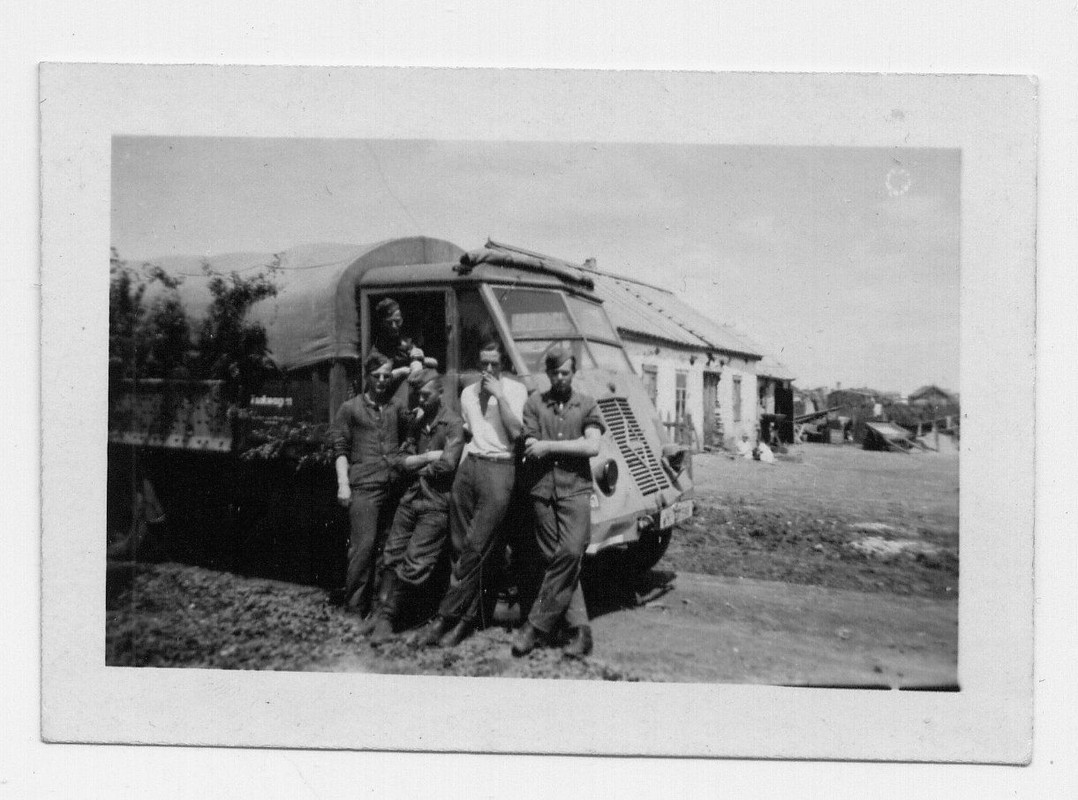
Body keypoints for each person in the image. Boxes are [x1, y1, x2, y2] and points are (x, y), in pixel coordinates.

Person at [415, 339, 528, 648]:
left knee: (476, 548)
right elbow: (467, 431)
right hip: (470, 467)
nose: (488, 368)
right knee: (459, 545)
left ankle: (447, 619)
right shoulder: (467, 393)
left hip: (499, 468)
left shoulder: (515, 390)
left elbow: (516, 434)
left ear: (504, 364)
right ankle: (467, 618)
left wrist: (499, 396)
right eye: (484, 363)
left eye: (494, 363)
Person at [512, 347, 604, 658]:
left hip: (575, 489)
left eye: (566, 372)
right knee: (555, 559)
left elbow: (592, 446)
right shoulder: (534, 404)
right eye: (555, 373)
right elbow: (530, 444)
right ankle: (581, 631)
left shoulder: (587, 404)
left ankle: (535, 625)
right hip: (543, 491)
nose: (560, 378)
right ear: (548, 374)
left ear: (573, 373)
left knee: (570, 552)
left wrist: (549, 446)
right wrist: (545, 445)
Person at [364, 369, 464, 642]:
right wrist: (428, 457)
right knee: (392, 554)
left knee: (416, 562)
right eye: (418, 394)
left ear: (440, 393)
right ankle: (379, 612)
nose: (420, 400)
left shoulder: (453, 424)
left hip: (436, 503)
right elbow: (400, 459)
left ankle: (389, 618)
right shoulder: (417, 423)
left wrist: (415, 465)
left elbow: (448, 464)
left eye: (426, 395)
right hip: (411, 498)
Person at [330, 352, 411, 617]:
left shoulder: (397, 407)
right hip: (364, 487)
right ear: (367, 377)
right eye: (377, 376)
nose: (382, 381)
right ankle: (354, 611)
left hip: (393, 487)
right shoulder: (350, 409)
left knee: (388, 550)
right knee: (363, 549)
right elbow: (340, 449)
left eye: (387, 376)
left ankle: (378, 610)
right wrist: (343, 484)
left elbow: (408, 435)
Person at [368, 297, 436, 401]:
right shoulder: (378, 349)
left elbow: (433, 363)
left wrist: (421, 358)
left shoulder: (407, 341)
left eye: (397, 321)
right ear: (382, 323)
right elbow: (376, 379)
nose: (394, 326)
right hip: (390, 397)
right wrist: (400, 371)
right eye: (389, 322)